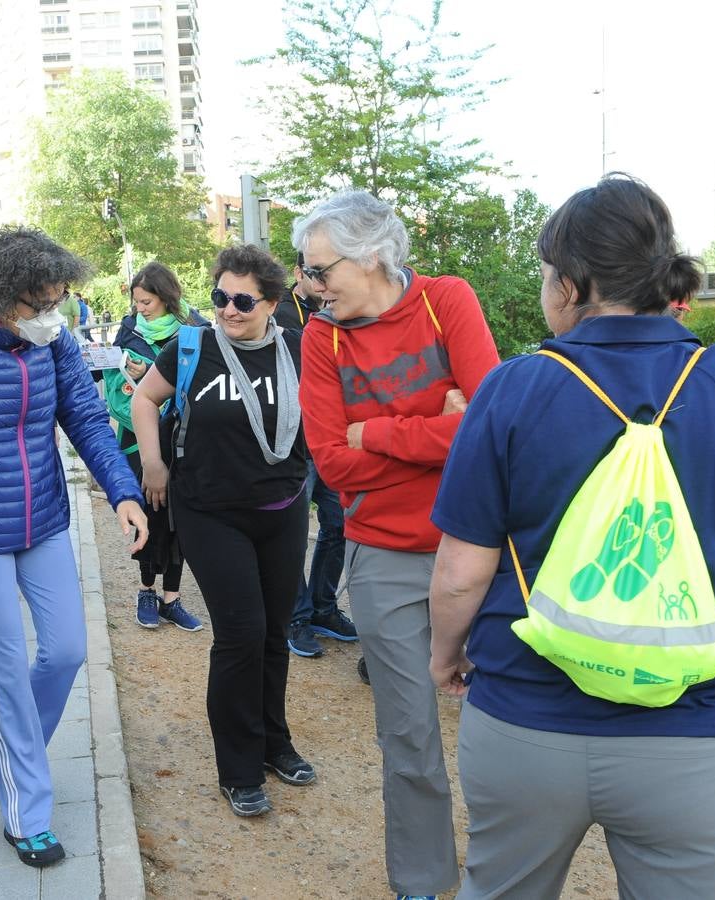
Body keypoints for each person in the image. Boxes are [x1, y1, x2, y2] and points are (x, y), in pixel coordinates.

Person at [429, 175, 715, 900]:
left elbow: (461, 573)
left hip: (526, 727)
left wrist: (446, 654)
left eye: (548, 273)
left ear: (574, 284)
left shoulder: (513, 389)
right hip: (698, 739)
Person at [0, 226, 148, 867]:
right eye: (41, 303)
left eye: (59, 300)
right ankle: (26, 812)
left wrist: (122, 491)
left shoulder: (56, 343)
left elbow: (88, 419)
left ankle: (14, 744)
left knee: (68, 649)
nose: (53, 314)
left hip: (43, 519)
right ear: (4, 294)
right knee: (5, 666)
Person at [294, 189, 498, 898]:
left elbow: (489, 426)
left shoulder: (448, 300)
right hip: (382, 557)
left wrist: (378, 430)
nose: (311, 287)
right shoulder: (324, 337)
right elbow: (331, 462)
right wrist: (443, 422)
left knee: (504, 727)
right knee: (409, 737)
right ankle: (422, 881)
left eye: (321, 271)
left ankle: (503, 872)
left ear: (373, 253)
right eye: (307, 272)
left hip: (479, 552)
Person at [129, 244, 313, 818]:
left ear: (273, 303)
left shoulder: (301, 351)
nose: (228, 310)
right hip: (210, 511)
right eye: (219, 297)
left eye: (242, 300)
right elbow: (143, 397)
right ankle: (237, 767)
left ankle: (273, 743)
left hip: (283, 508)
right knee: (240, 633)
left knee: (273, 631)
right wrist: (153, 463)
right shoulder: (194, 346)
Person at [102, 261, 206, 631]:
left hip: (182, 439)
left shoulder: (194, 329)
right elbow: (114, 382)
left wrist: (150, 378)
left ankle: (172, 599)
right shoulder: (128, 330)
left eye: (147, 302)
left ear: (165, 297)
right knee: (147, 510)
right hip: (137, 441)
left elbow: (202, 385)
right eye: (137, 302)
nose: (140, 309)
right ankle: (146, 590)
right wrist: (127, 377)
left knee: (177, 516)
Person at [275, 252, 357, 658]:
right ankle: (296, 616)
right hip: (296, 446)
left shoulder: (340, 309)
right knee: (291, 533)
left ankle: (324, 608)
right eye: (315, 274)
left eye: (328, 273)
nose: (323, 283)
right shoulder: (281, 313)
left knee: (339, 524)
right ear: (298, 274)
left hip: (333, 439)